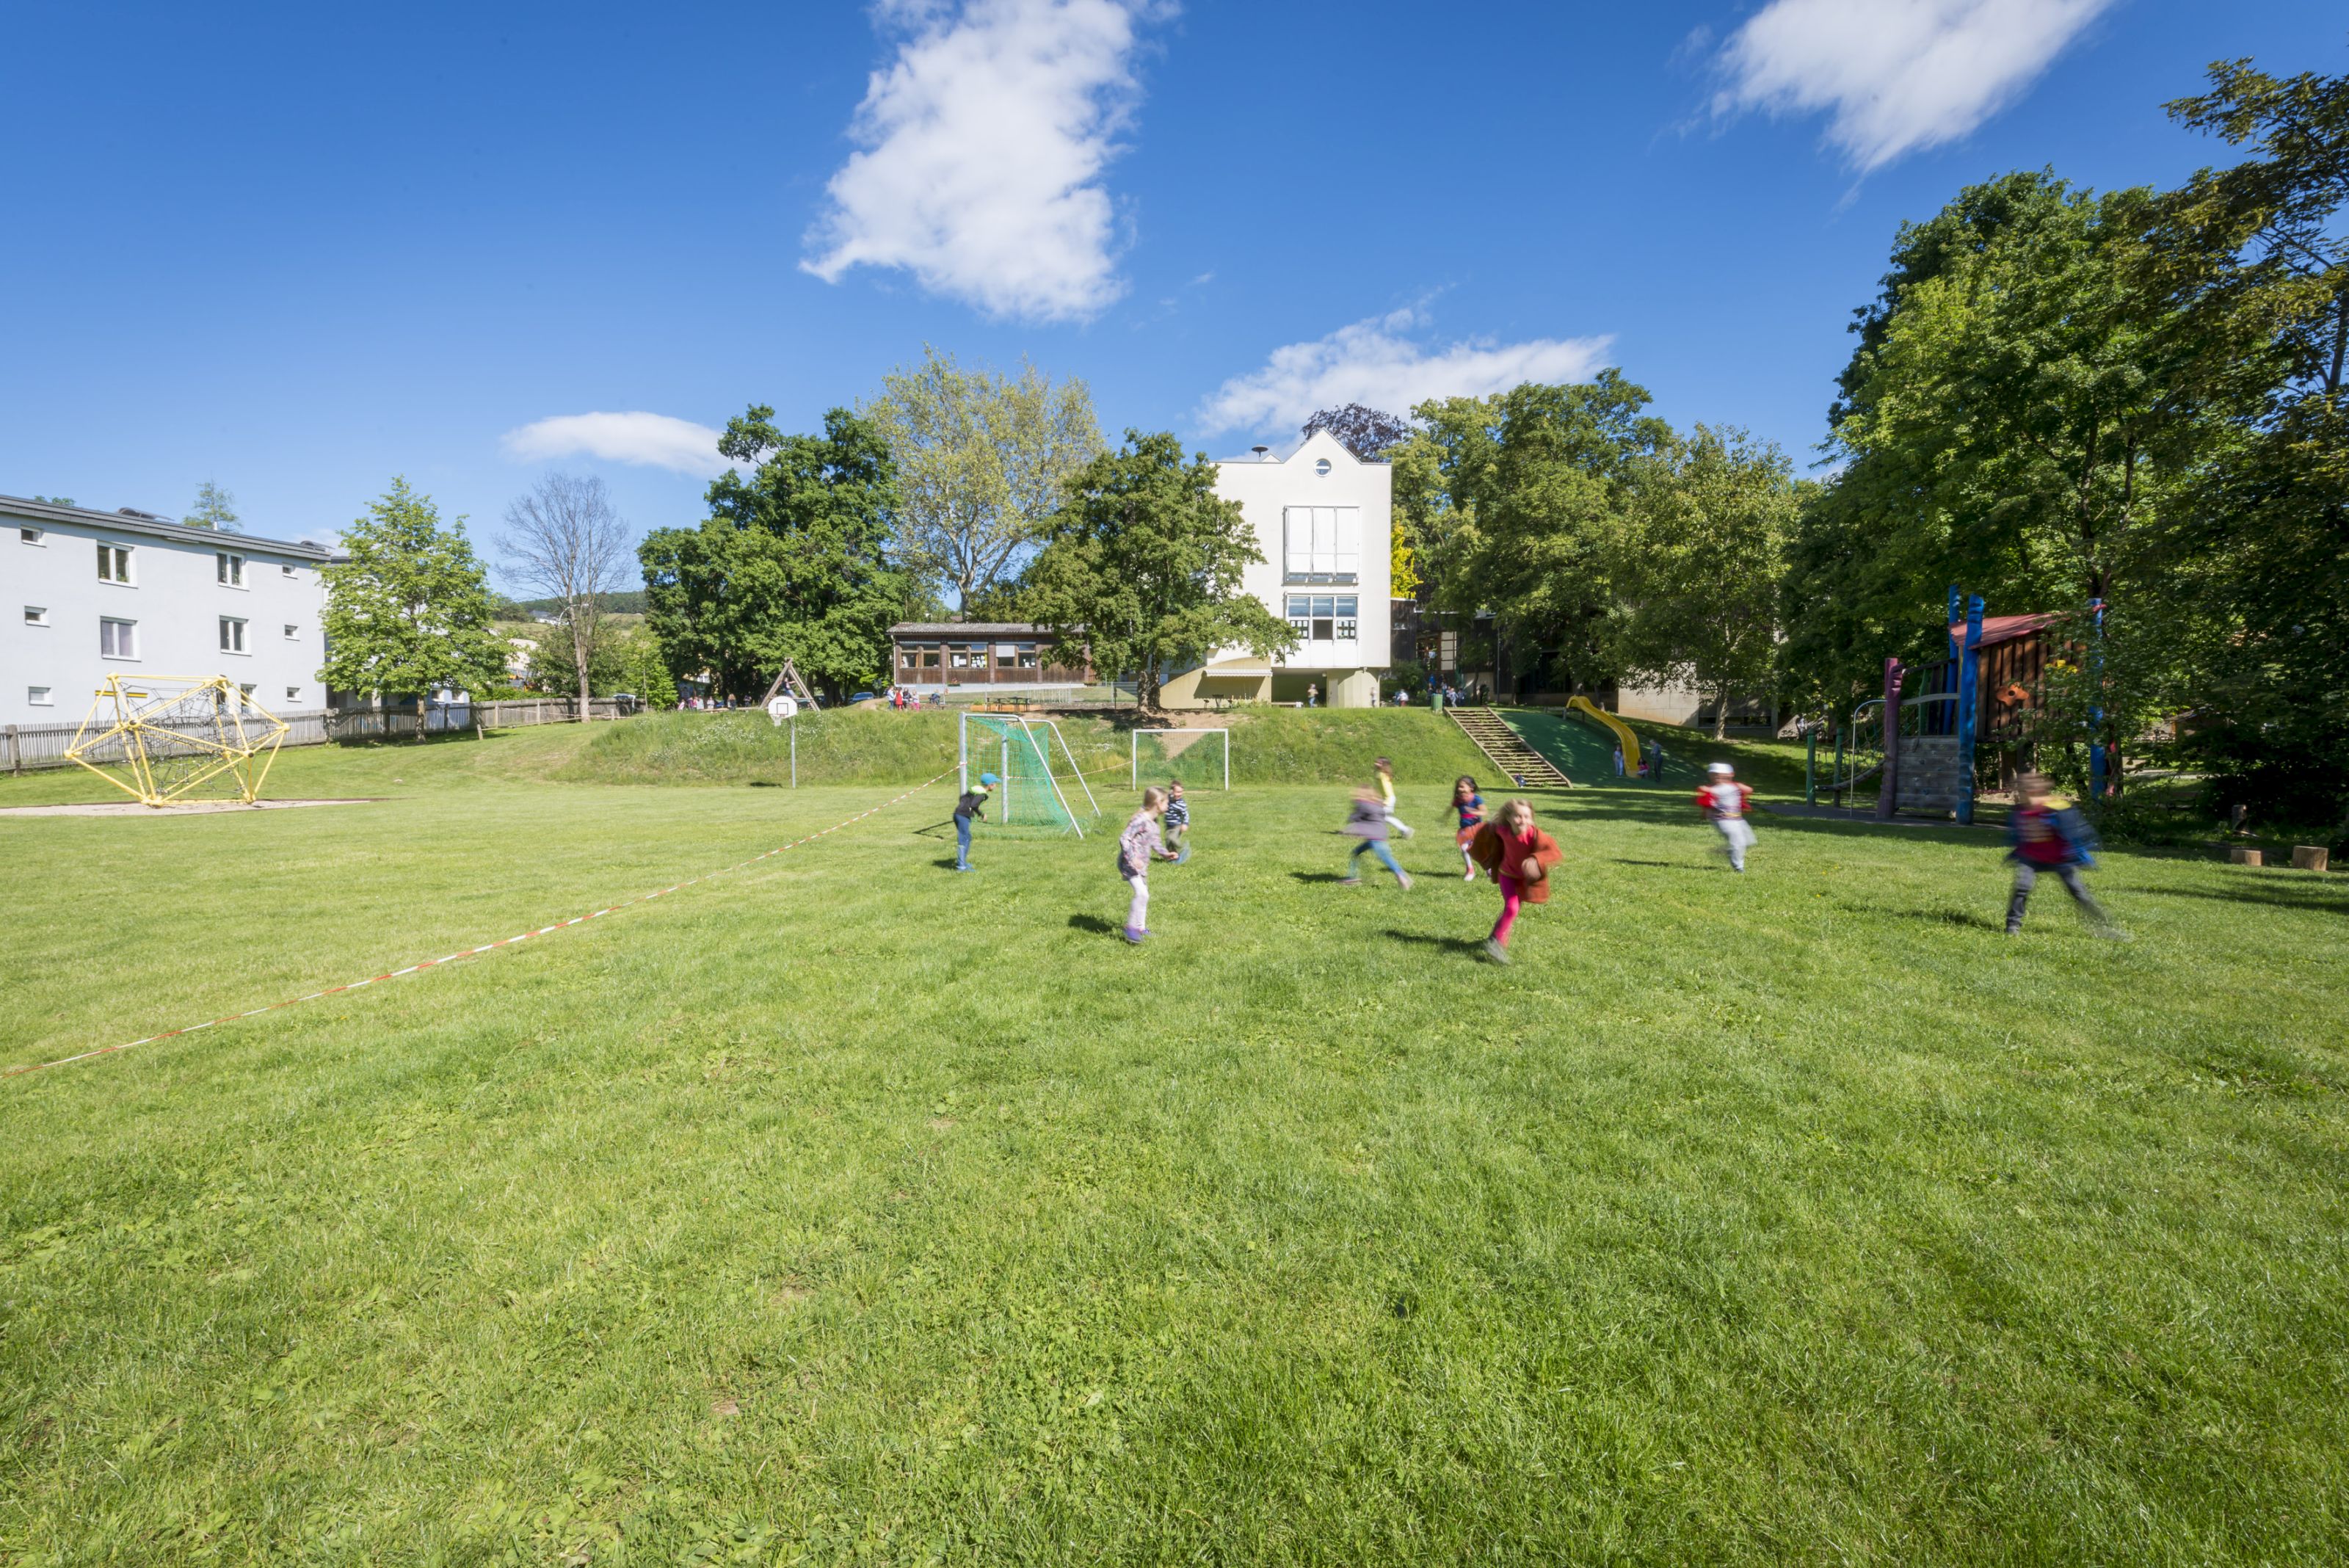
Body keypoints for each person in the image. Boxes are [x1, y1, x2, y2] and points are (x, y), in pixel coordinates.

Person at [2006, 772, 2124, 937]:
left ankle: (2105, 928)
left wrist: (2080, 856)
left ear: (2038, 791)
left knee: (2079, 892)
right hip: (2031, 857)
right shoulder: (2020, 811)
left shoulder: (2058, 808)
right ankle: (2013, 926)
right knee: (2022, 886)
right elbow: (2018, 835)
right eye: (2021, 792)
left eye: (2026, 792)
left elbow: (2077, 832)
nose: (2023, 797)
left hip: (2060, 859)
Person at [1467, 799, 1561, 963]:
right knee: (1512, 908)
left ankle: (1495, 938)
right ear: (1509, 818)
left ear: (1532, 819)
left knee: (1511, 910)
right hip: (1507, 875)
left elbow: (1554, 852)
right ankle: (1496, 944)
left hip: (1523, 880)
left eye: (1526, 816)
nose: (1522, 820)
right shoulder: (1502, 831)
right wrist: (1475, 843)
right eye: (1518, 816)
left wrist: (1536, 859)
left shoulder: (1535, 835)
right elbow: (1487, 831)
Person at [1118, 786, 1178, 943]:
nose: (1168, 805)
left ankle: (1140, 928)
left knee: (1145, 895)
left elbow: (1156, 843)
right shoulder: (1141, 820)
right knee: (1142, 894)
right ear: (1158, 803)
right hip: (1129, 863)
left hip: (1141, 865)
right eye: (1166, 802)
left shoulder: (1154, 823)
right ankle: (1131, 929)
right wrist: (1132, 859)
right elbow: (1124, 838)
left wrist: (1166, 854)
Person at [1340, 788, 1413, 889]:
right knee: (1357, 852)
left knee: (1387, 859)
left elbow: (1355, 817)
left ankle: (1401, 876)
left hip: (1375, 839)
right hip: (1381, 837)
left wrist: (1351, 828)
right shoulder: (1378, 805)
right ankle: (1352, 877)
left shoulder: (1363, 804)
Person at [1696, 761, 1755, 872]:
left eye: (1720, 774)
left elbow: (1749, 790)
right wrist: (1704, 814)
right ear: (1710, 776)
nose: (1717, 777)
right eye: (1714, 775)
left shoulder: (1735, 786)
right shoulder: (1710, 789)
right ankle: (1739, 868)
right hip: (1722, 819)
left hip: (1738, 819)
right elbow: (1706, 805)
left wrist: (1741, 789)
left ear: (1730, 775)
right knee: (1738, 842)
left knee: (1749, 841)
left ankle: (1728, 851)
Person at [953, 772, 998, 871]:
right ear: (990, 784)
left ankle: (963, 863)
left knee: (968, 837)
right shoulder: (982, 794)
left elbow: (963, 798)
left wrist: (981, 814)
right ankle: (961, 867)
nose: (995, 786)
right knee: (963, 839)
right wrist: (980, 813)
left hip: (957, 814)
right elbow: (974, 805)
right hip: (963, 816)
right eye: (995, 784)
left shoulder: (975, 790)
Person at [1451, 775, 1486, 880]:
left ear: (1471, 787)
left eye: (1462, 787)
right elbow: (1451, 807)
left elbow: (1484, 812)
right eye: (1458, 787)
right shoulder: (1459, 800)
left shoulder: (1476, 799)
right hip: (1465, 831)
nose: (1459, 789)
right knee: (1464, 848)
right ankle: (1470, 869)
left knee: (1480, 851)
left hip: (1477, 830)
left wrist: (1474, 811)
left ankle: (1490, 869)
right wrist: (1444, 817)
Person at [1374, 757, 1415, 839]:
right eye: (1376, 762)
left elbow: (1386, 789)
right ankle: (1405, 830)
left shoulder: (1381, 775)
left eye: (1378, 763)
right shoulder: (1382, 774)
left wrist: (1385, 801)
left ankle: (1405, 830)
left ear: (1384, 765)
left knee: (1380, 816)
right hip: (1388, 798)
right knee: (1386, 817)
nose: (1375, 764)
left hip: (1388, 799)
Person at [1163, 779, 1191, 863]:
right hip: (1168, 826)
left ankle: (1183, 848)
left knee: (1173, 838)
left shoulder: (1181, 803)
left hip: (1177, 825)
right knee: (1168, 843)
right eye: (1177, 792)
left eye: (1181, 792)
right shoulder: (1169, 799)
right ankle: (1173, 857)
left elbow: (1186, 814)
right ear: (1172, 791)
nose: (1179, 794)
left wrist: (1185, 824)